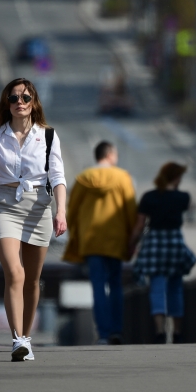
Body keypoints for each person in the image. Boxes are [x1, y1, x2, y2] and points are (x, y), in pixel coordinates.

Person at [0, 78, 67, 362]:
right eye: (13, 98)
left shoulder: (48, 136)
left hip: (39, 208)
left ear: (34, 102)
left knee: (32, 280)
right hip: (5, 206)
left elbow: (58, 177)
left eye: (25, 97)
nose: (20, 103)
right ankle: (17, 339)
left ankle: (26, 337)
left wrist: (61, 211)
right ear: (7, 104)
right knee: (15, 273)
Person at [63, 141, 137, 345]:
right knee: (115, 285)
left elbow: (72, 210)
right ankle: (116, 331)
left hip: (91, 241)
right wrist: (133, 238)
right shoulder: (123, 178)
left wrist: (75, 235)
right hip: (116, 240)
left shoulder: (83, 179)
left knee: (97, 286)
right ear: (110, 155)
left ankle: (103, 334)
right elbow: (131, 210)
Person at [129, 162, 196, 344]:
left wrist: (132, 244)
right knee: (176, 288)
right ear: (175, 177)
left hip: (155, 244)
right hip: (174, 242)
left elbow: (139, 226)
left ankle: (159, 331)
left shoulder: (149, 197)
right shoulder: (183, 197)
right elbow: (189, 208)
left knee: (157, 288)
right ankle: (177, 332)